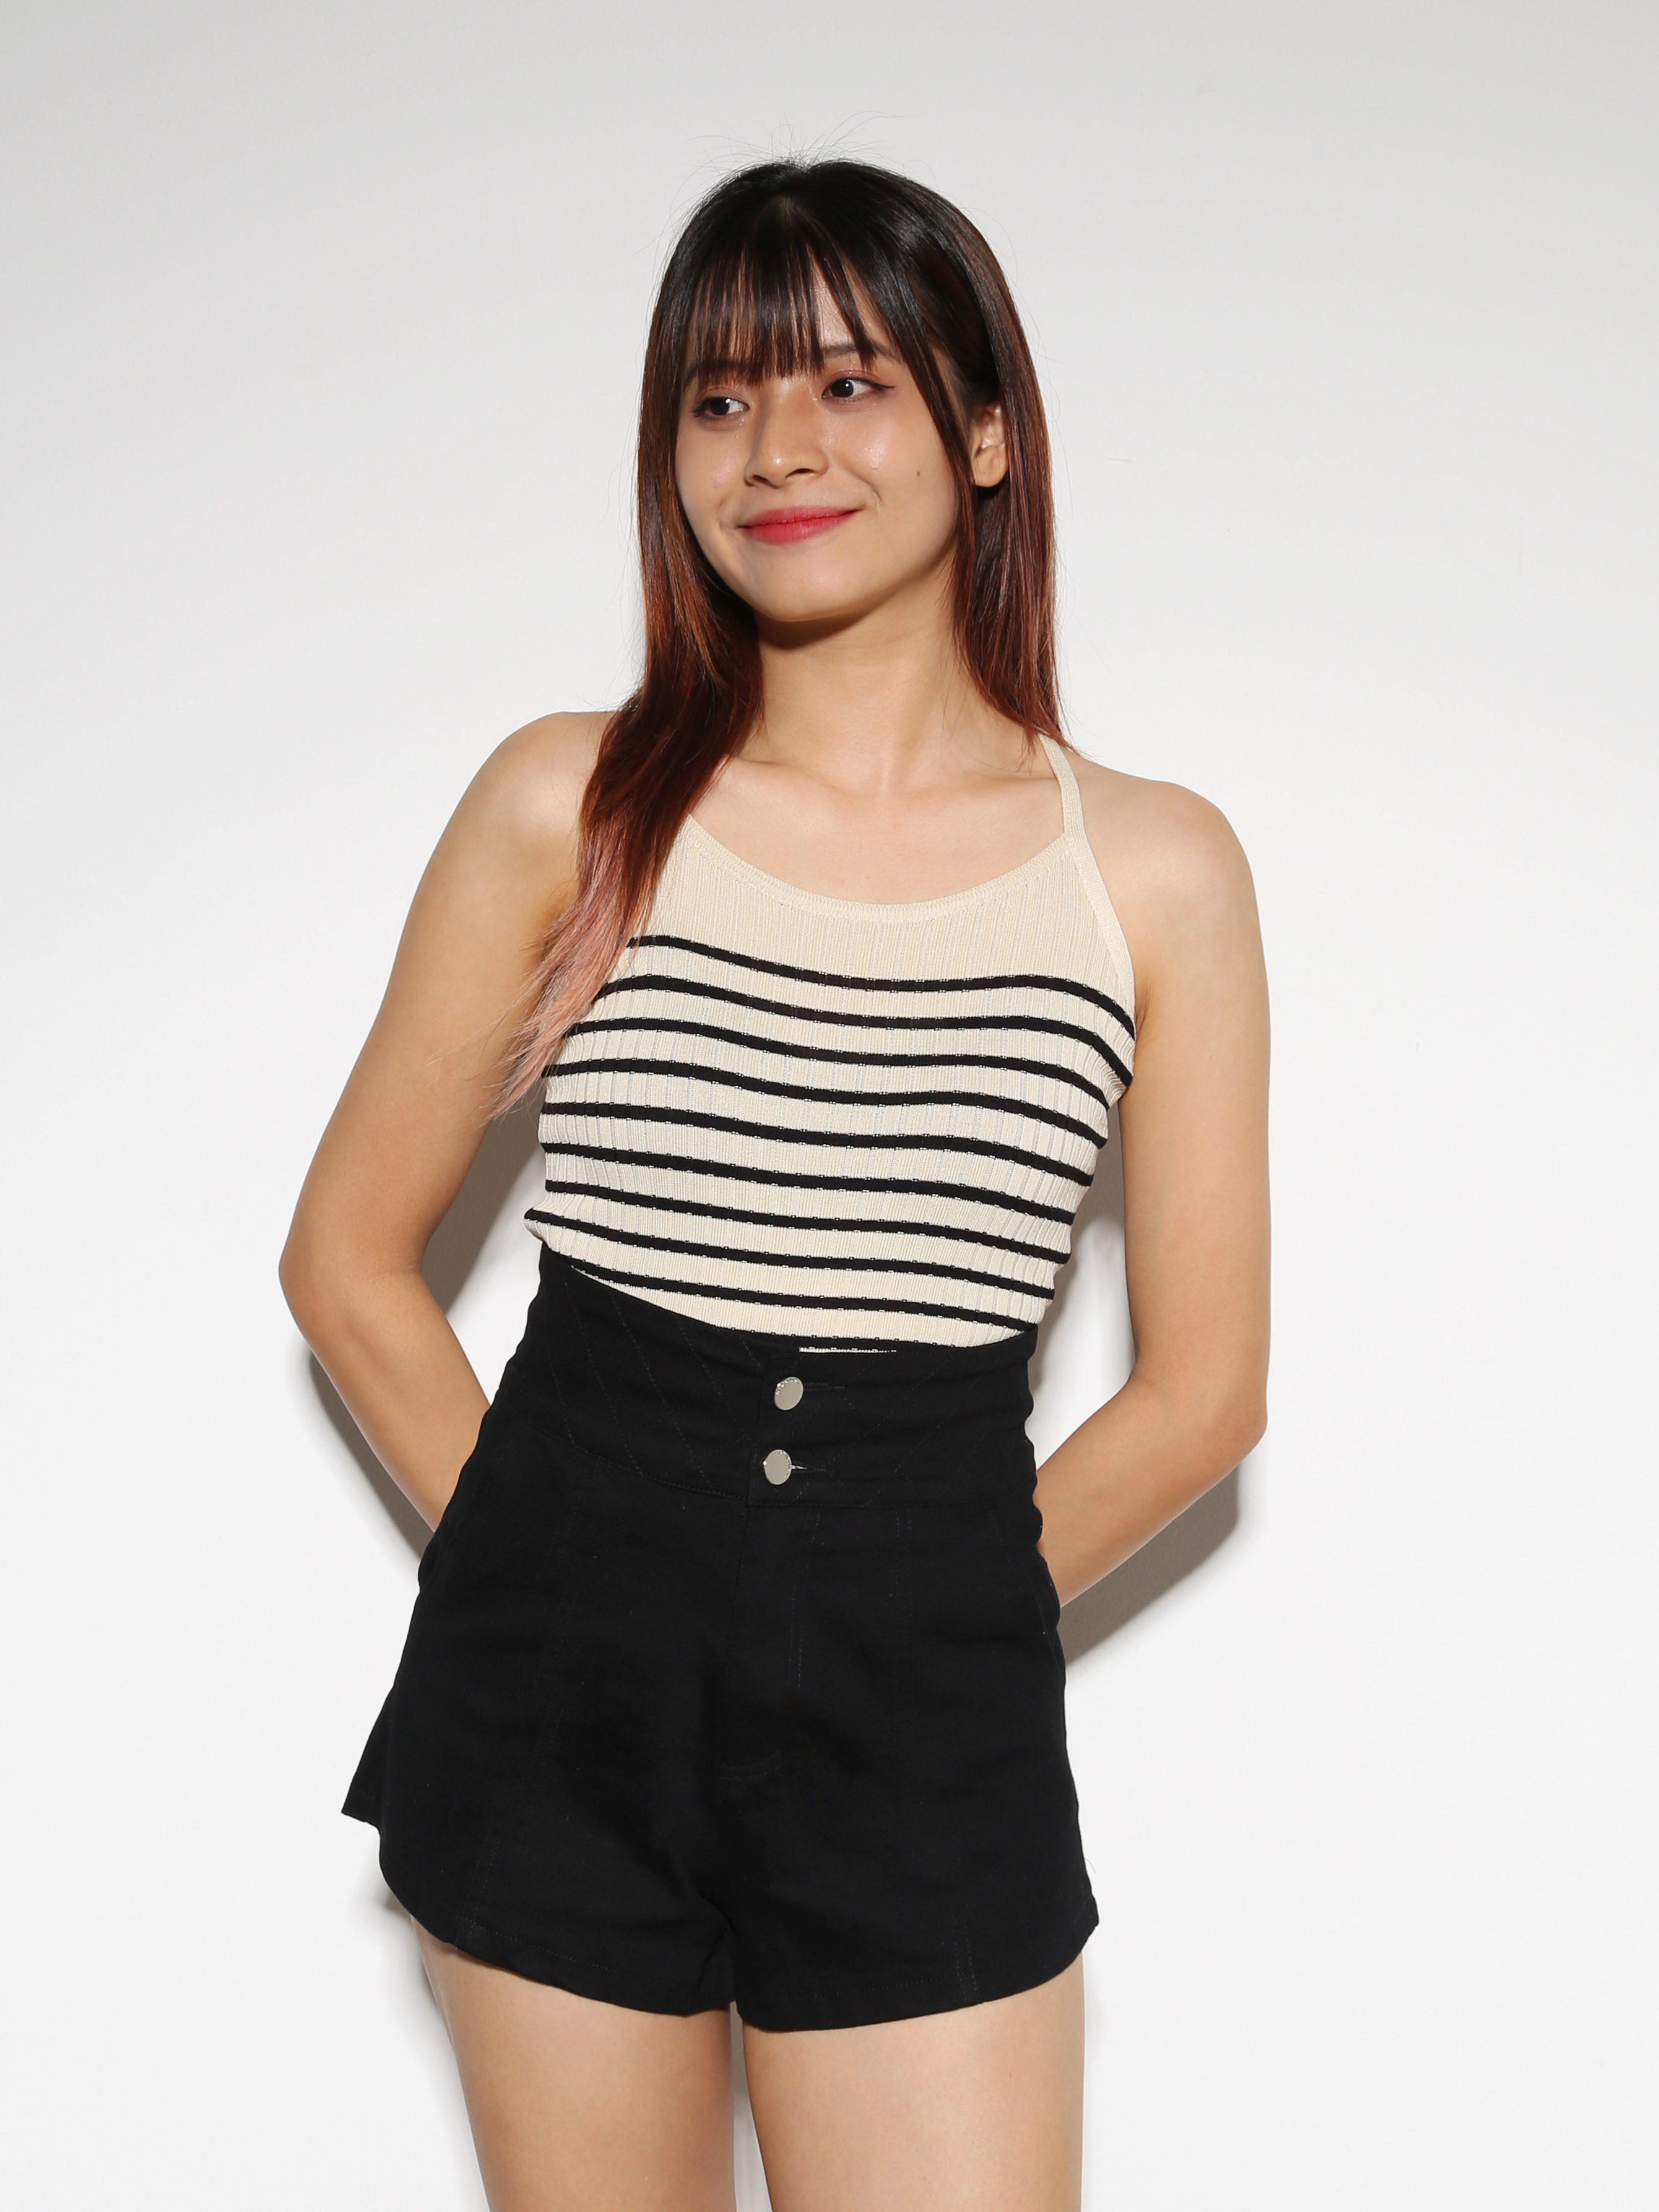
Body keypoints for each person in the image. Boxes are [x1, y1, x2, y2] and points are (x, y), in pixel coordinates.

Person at [281, 156, 1270, 2212]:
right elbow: (347, 1260)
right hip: (558, 1687)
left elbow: (1204, 1395)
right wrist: (559, 1566)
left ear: (983, 431)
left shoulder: (1152, 869)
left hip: (923, 1696)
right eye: (719, 399)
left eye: (847, 383)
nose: (778, 449)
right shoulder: (574, 804)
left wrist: (928, 1601)